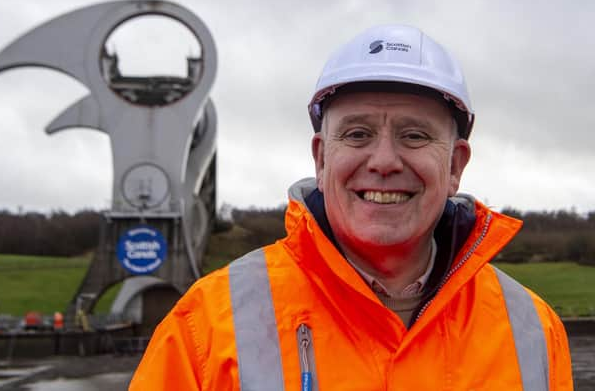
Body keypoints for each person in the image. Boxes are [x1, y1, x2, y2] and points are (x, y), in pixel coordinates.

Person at [130, 24, 573, 390]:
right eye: (358, 134)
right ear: (321, 159)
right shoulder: (206, 326)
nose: (383, 162)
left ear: (455, 165)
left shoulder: (532, 331)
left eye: (414, 135)